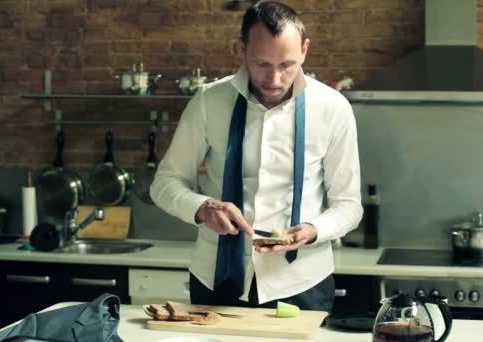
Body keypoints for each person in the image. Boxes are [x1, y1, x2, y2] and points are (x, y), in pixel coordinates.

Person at [150, 0, 362, 313]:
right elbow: (165, 183)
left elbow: (349, 205)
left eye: (287, 65)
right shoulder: (210, 101)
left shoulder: (333, 108)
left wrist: (313, 230)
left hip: (301, 283)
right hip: (215, 281)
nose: (274, 79)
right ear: (242, 49)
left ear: (304, 50)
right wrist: (202, 208)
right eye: (262, 64)